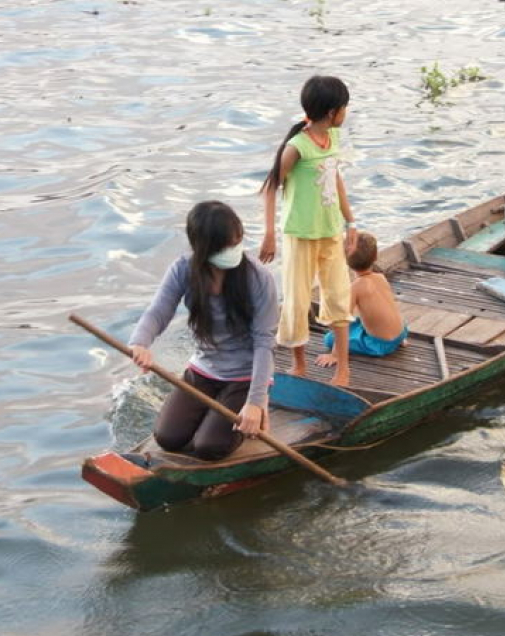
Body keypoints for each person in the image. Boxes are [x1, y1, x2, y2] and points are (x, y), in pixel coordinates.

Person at [128, 201, 278, 461]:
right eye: (225, 246)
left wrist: (255, 400)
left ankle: (260, 406)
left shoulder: (258, 277)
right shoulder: (183, 269)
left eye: (236, 243)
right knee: (168, 438)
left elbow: (265, 342)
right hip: (204, 369)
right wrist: (141, 342)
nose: (233, 251)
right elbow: (158, 312)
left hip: (244, 375)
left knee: (208, 447)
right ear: (203, 247)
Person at [260, 75, 357, 388]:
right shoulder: (297, 147)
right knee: (298, 300)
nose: (346, 113)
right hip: (300, 234)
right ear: (331, 112)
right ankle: (299, 365)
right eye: (344, 108)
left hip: (330, 231)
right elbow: (270, 188)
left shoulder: (333, 140)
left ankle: (343, 368)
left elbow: (335, 179)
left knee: (339, 297)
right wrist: (270, 234)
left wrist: (350, 221)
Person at [316, 231, 408, 368]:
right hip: (401, 332)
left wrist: (335, 354)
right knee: (360, 322)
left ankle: (382, 343)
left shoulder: (356, 287)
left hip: (379, 345)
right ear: (375, 256)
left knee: (329, 338)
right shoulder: (380, 277)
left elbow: (343, 322)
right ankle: (398, 341)